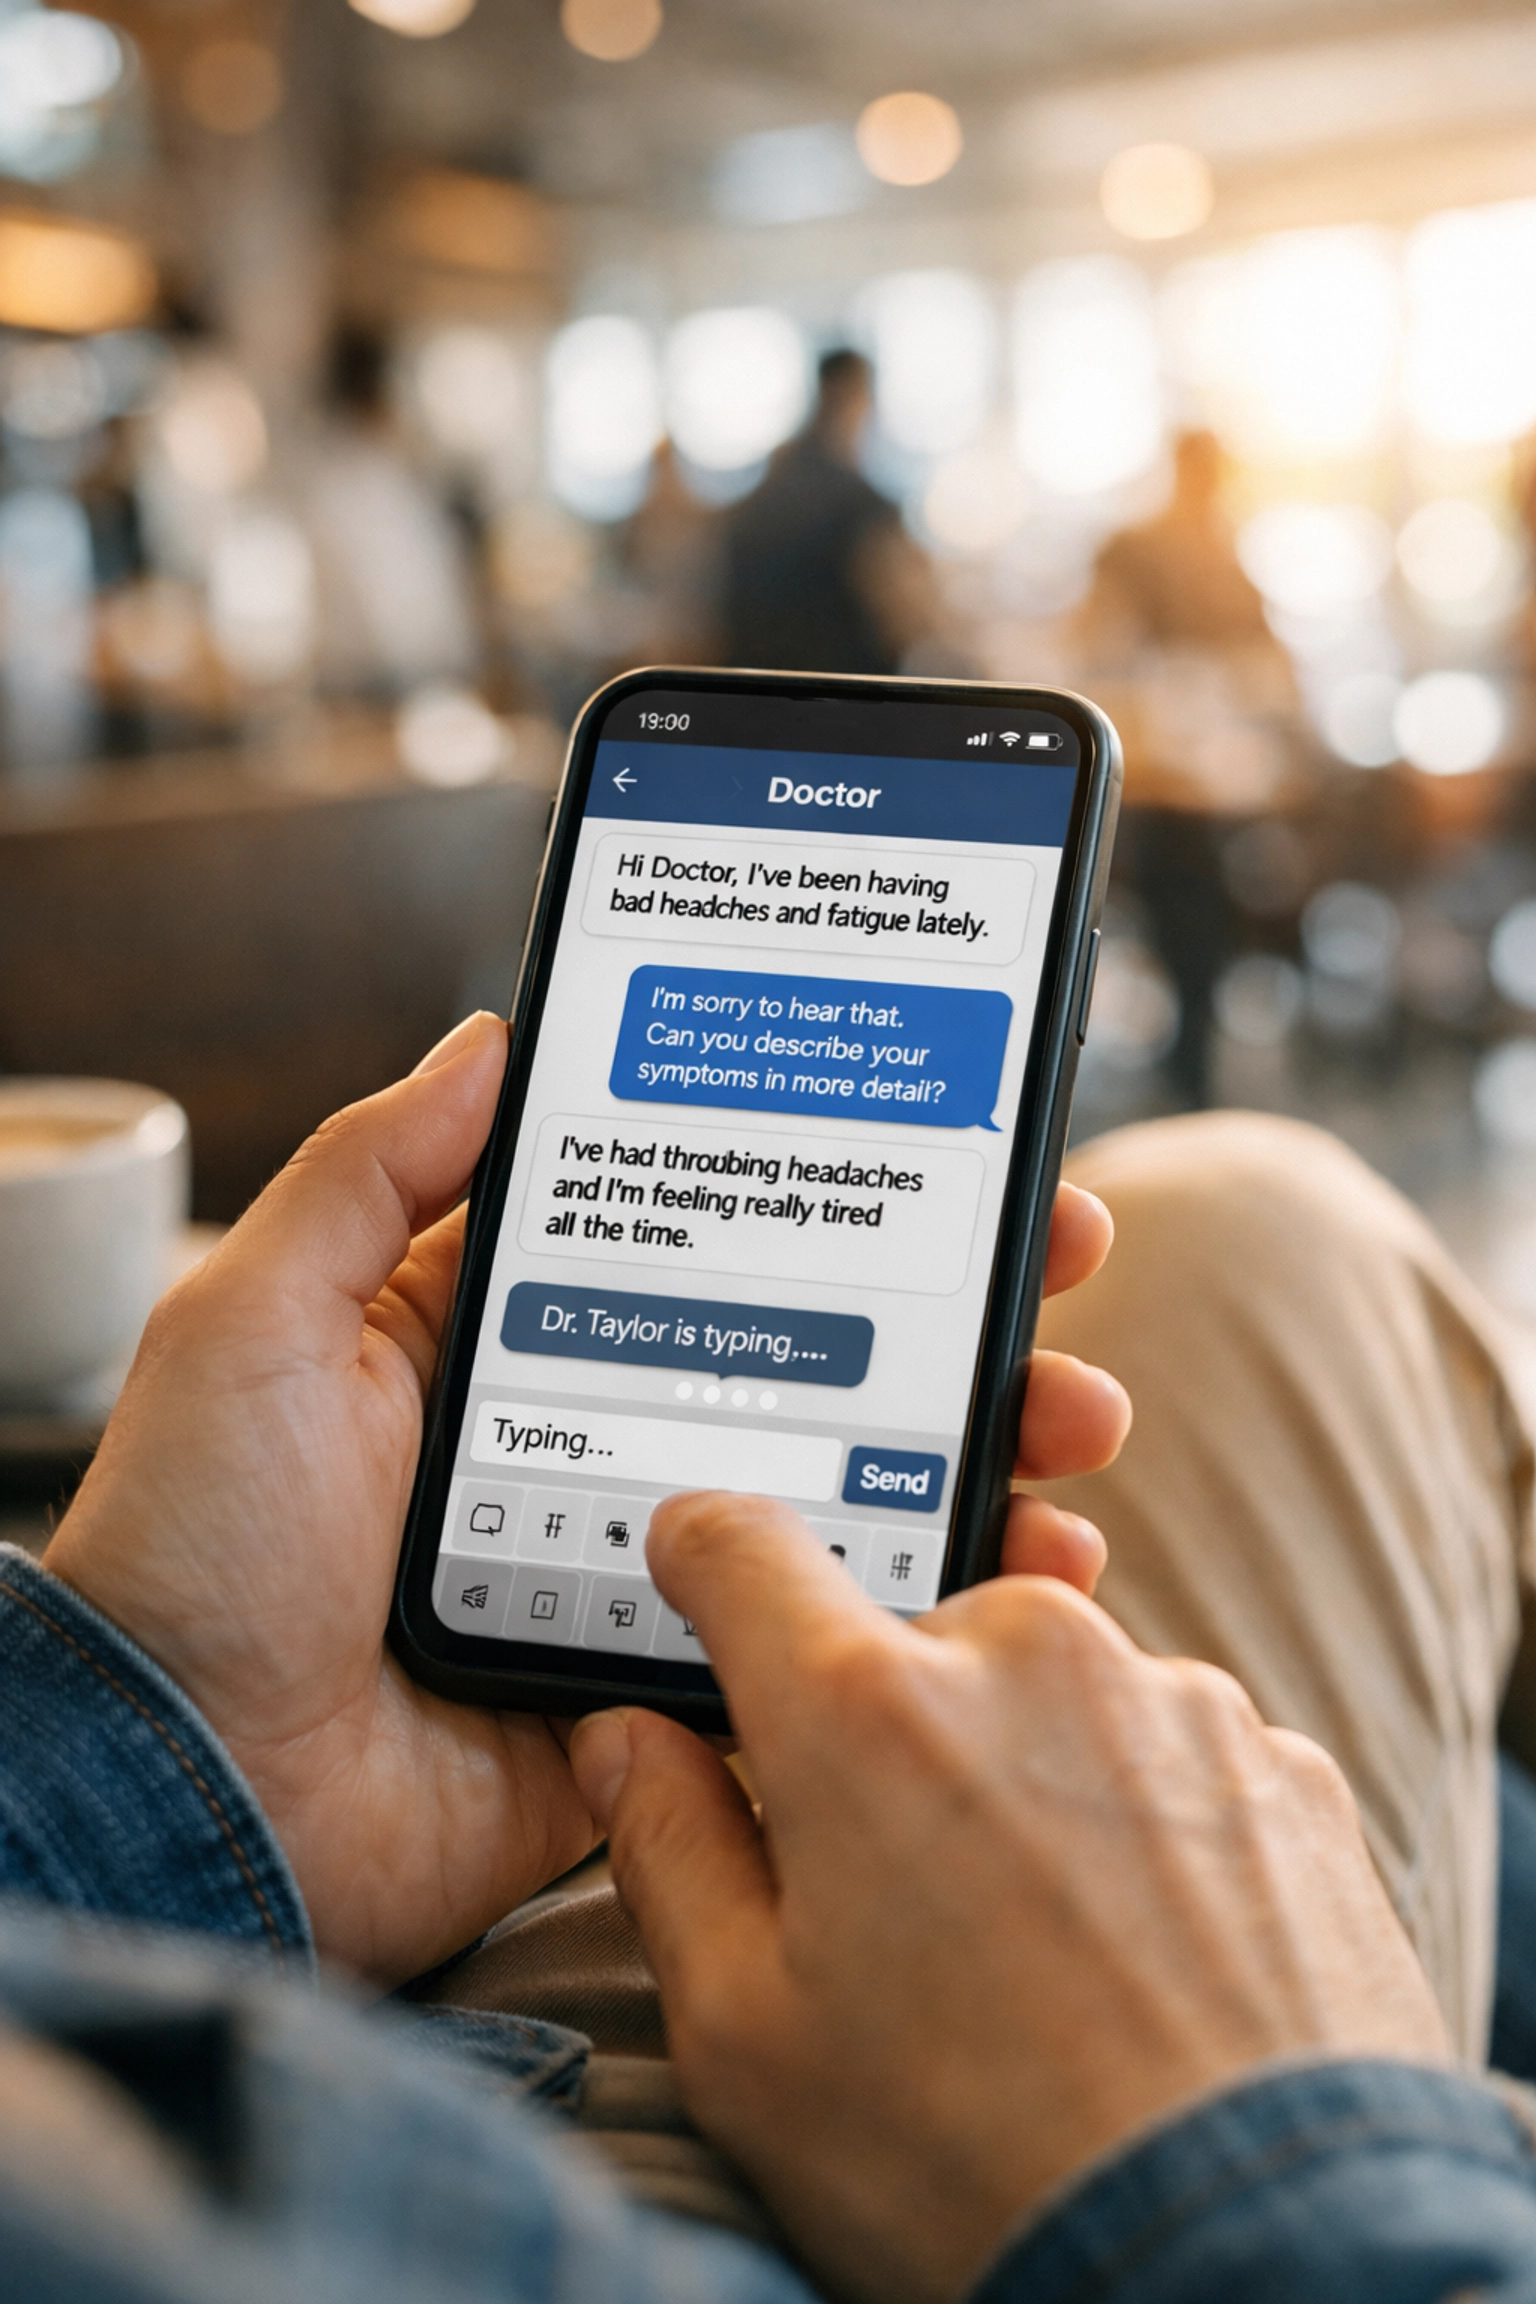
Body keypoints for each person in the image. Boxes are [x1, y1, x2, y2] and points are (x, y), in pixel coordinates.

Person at [8, 1011, 1536, 2299]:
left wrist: (183, 1761)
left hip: (188, 2022)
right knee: (1261, 1228)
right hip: (511, 2213)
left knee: (1227, 1228)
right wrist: (1270, 2174)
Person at [720, 348, 936, 675]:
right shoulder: (859, 503)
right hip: (841, 695)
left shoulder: (766, 489)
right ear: (858, 397)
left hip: (754, 690)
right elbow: (902, 618)